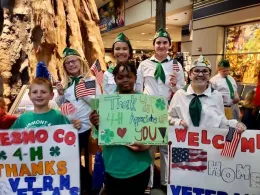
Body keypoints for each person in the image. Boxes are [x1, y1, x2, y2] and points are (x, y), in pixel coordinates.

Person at [90, 62, 152, 195]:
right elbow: (97, 139)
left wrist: (147, 145)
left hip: (139, 166)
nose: (125, 80)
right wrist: (96, 124)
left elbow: (154, 132)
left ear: (135, 77)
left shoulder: (146, 102)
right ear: (115, 79)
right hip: (113, 166)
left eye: (129, 76)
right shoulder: (105, 103)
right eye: (120, 77)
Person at [136, 28, 185, 193]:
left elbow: (182, 91)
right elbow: (138, 87)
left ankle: (165, 182)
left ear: (169, 45)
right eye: (158, 42)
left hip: (167, 110)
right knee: (148, 148)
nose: (161, 45)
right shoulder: (144, 64)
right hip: (148, 110)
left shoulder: (176, 65)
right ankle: (148, 183)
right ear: (154, 45)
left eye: (165, 42)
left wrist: (174, 85)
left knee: (165, 148)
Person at [55, 48, 101, 195]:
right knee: (68, 159)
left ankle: (90, 186)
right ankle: (84, 184)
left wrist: (84, 94)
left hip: (86, 127)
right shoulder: (65, 84)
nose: (71, 65)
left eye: (73, 61)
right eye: (67, 63)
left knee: (74, 159)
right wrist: (61, 96)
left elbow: (98, 104)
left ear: (80, 62)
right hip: (70, 128)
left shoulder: (90, 80)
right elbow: (63, 107)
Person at [168, 55, 246, 132]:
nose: (201, 74)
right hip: (184, 142)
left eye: (205, 71)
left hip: (206, 142)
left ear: (209, 75)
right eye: (196, 71)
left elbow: (220, 121)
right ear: (190, 75)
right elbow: (169, 118)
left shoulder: (216, 96)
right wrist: (178, 122)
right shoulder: (180, 95)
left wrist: (235, 125)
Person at [11, 77, 81, 130]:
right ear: (29, 95)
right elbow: (10, 139)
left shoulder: (59, 116)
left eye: (43, 92)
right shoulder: (22, 119)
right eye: (35, 92)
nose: (39, 95)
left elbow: (68, 136)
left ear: (51, 95)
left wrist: (74, 127)